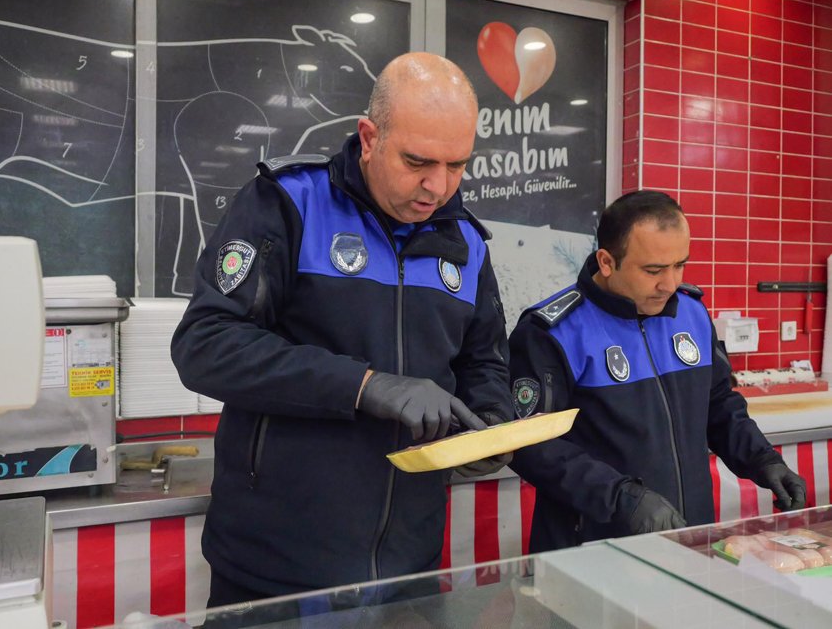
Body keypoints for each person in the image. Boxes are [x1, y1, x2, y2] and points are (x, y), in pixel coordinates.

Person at [171, 52, 513, 609]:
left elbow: (484, 361)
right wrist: (366, 386)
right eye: (418, 161)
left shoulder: (467, 243)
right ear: (370, 137)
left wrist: (490, 420)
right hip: (275, 570)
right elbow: (205, 344)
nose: (437, 186)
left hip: (409, 566)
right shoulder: (289, 203)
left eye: (458, 166)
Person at [508, 190, 807, 551]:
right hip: (592, 547)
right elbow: (531, 445)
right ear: (606, 261)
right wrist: (621, 498)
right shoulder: (552, 332)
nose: (670, 283)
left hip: (688, 537)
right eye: (653, 270)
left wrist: (762, 460)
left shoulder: (692, 314)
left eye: (679, 265)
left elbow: (718, 405)